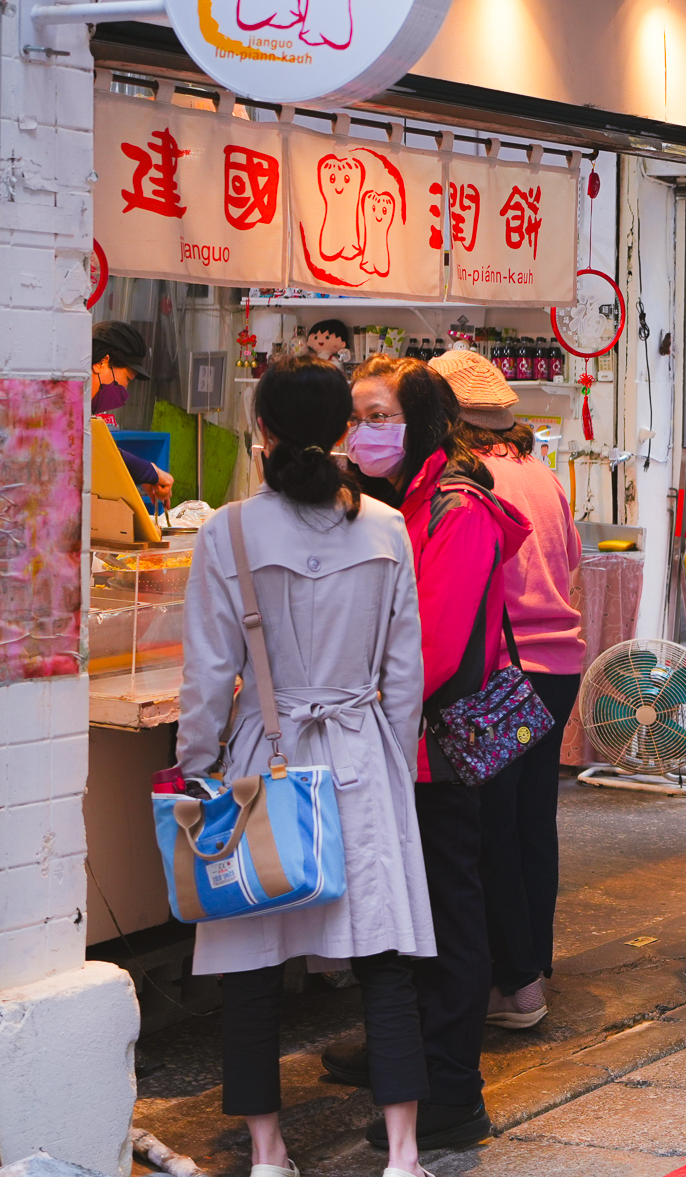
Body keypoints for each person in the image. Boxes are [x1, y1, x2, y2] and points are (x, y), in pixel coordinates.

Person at [176, 354, 432, 1174]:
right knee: (384, 960)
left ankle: (267, 1155)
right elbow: (406, 674)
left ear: (263, 430)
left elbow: (211, 672)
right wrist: (390, 756)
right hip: (360, 750)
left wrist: (195, 767)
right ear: (345, 432)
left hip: (264, 759)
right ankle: (401, 1156)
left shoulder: (230, 530)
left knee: (252, 967)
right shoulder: (387, 528)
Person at [329, 355, 531, 1152]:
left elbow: (435, 648)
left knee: (446, 908)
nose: (361, 432)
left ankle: (452, 1091)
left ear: (421, 419)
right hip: (395, 737)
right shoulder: (396, 499)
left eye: (377, 415)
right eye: (356, 417)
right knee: (402, 906)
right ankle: (403, 1056)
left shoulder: (456, 507)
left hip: (432, 743)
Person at [429, 349, 586, 1028]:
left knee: (488, 828)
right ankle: (531, 964)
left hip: (500, 671)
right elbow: (572, 560)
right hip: (559, 668)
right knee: (529, 824)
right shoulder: (539, 473)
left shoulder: (466, 482)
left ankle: (514, 985)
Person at [92, 320, 174, 502]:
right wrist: (150, 472)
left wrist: (143, 475)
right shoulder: (66, 402)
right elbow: (97, 451)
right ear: (101, 362)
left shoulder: (80, 406)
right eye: (127, 379)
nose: (125, 389)